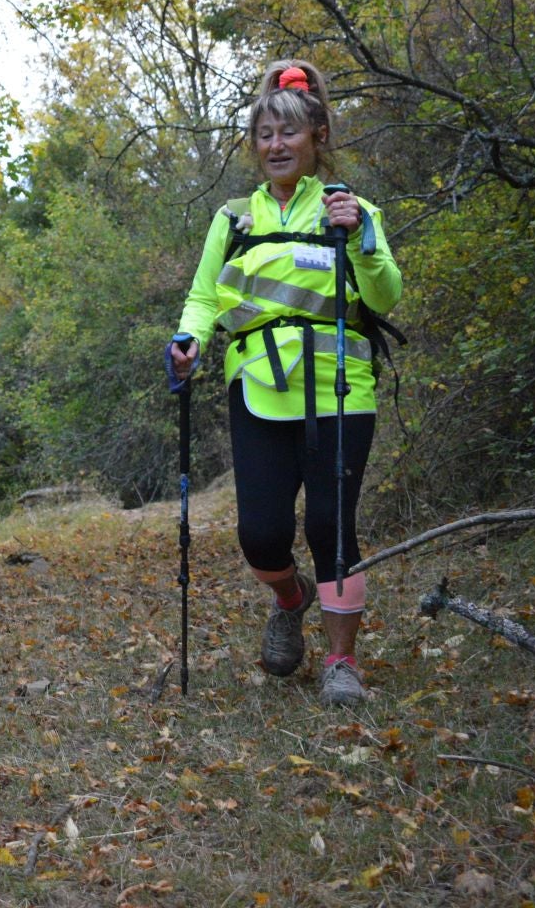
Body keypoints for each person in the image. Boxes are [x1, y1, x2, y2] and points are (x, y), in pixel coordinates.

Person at [170, 60, 402, 707]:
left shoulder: (351, 210)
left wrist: (362, 240)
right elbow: (205, 296)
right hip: (258, 390)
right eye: (265, 134)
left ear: (317, 136)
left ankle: (341, 662)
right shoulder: (234, 219)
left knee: (331, 524)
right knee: (262, 535)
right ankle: (290, 598)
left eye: (289, 132)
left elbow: (386, 295)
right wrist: (189, 340)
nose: (276, 145)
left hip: (340, 390)